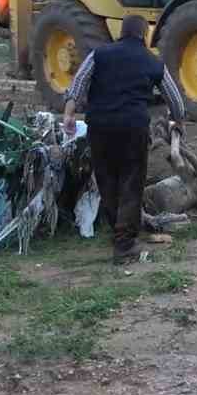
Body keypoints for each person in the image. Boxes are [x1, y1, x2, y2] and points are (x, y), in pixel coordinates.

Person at [62, 15, 187, 264]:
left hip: (99, 127)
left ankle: (118, 232)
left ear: (121, 32)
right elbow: (174, 98)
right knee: (131, 183)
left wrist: (68, 113)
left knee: (107, 180)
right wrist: (178, 120)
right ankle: (124, 245)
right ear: (144, 35)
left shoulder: (99, 54)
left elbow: (79, 83)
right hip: (133, 129)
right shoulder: (153, 62)